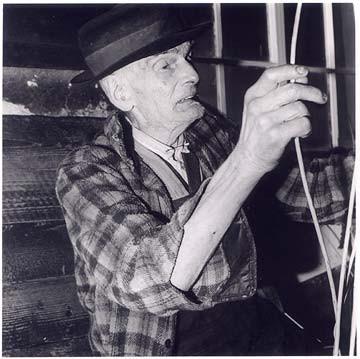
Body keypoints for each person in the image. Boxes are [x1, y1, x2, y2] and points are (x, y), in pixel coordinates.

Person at [56, 5, 330, 356]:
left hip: (257, 337)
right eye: (167, 65)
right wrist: (245, 160)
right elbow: (144, 279)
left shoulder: (206, 130)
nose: (192, 74)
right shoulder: (87, 170)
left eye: (187, 57)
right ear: (121, 93)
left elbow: (293, 186)